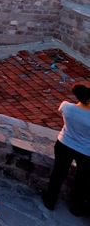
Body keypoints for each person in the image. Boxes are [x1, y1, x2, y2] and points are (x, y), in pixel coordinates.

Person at [42, 83, 90, 215]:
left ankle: (50, 200)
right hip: (86, 151)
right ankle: (76, 207)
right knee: (82, 180)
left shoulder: (66, 107)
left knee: (58, 173)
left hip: (64, 144)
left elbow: (62, 111)